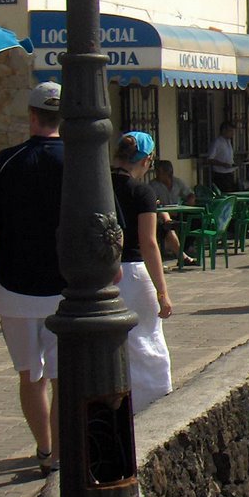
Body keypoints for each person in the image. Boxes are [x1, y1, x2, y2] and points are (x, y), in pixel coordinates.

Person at [0, 81, 65, 475]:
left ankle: (44, 447)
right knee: (62, 378)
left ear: (31, 115)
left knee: (30, 375)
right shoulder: (79, 162)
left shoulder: (7, 162)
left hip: (15, 288)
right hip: (67, 290)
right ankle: (59, 455)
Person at [109, 132, 173, 411]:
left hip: (103, 272)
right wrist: (162, 291)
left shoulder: (97, 185)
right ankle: (153, 403)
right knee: (147, 339)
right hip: (133, 271)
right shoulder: (142, 192)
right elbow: (149, 243)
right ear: (147, 160)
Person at [148, 159, 196, 267]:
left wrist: (190, 200)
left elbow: (190, 194)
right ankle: (181, 253)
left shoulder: (177, 182)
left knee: (195, 219)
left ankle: (185, 247)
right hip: (162, 214)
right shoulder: (153, 185)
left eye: (159, 172)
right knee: (167, 226)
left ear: (168, 173)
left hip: (177, 212)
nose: (157, 174)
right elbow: (153, 203)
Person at [206, 120, 237, 191]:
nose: (232, 133)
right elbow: (209, 159)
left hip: (229, 173)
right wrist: (223, 164)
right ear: (223, 130)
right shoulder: (217, 142)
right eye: (230, 131)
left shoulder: (228, 142)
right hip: (220, 175)